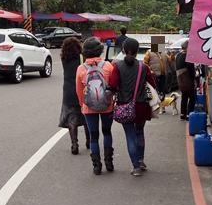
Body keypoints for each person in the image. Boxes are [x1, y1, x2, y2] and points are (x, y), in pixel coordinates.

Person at [110, 37, 157, 176]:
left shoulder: (117, 66)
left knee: (130, 135)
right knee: (140, 132)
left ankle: (136, 167)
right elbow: (152, 84)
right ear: (137, 51)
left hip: (125, 106)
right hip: (141, 106)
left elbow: (112, 85)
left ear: (123, 50)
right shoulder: (144, 67)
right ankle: (141, 160)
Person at [76, 37, 115, 175]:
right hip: (107, 106)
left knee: (94, 136)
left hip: (89, 107)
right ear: (100, 50)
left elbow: (79, 91)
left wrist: (83, 105)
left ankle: (96, 166)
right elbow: (113, 86)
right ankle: (109, 162)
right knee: (107, 132)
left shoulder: (81, 68)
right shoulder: (108, 66)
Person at [59, 37, 90, 155]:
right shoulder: (82, 57)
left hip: (68, 90)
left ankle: (74, 144)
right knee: (86, 115)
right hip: (81, 89)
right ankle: (89, 141)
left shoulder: (64, 58)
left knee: (71, 118)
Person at [175, 40, 197, 120]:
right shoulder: (188, 56)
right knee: (192, 98)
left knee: (184, 97)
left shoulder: (178, 55)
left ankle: (182, 114)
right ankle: (189, 114)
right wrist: (194, 79)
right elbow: (191, 70)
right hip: (187, 80)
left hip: (180, 80)